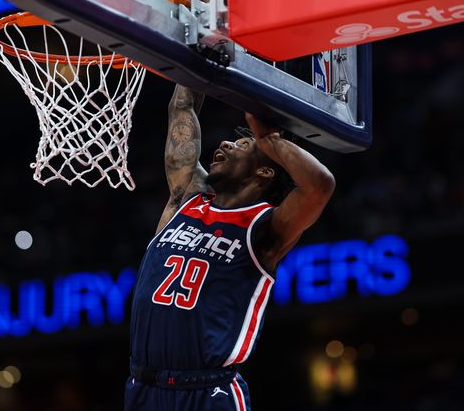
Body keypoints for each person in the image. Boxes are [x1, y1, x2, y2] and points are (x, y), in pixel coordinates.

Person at [125, 85, 336, 410]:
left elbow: (320, 185)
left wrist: (271, 140)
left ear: (264, 170)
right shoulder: (186, 200)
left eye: (243, 144)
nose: (224, 144)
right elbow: (183, 106)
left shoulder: (265, 227)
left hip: (208, 392)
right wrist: (191, 50)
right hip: (143, 386)